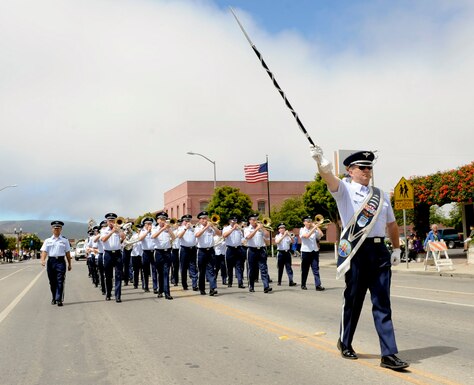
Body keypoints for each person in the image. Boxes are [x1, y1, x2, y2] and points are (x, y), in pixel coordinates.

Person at [311, 146, 409, 371]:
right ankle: (345, 341)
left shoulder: (381, 195)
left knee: (382, 303)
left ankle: (389, 354)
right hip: (356, 251)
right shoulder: (343, 189)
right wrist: (322, 164)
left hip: (379, 251)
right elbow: (329, 177)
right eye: (362, 167)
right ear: (350, 170)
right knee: (354, 299)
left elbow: (392, 224)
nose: (367, 171)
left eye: (369, 167)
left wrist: (396, 249)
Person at [40, 221, 72, 307]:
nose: (56, 230)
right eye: (55, 228)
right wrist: (42, 260)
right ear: (52, 229)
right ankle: (54, 297)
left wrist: (69, 264)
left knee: (60, 280)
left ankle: (59, 299)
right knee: (52, 282)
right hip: (51, 262)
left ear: (61, 229)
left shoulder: (65, 241)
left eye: (58, 228)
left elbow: (68, 253)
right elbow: (44, 251)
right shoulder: (48, 241)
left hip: (61, 262)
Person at [100, 213, 125, 302]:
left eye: (113, 220)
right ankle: (108, 293)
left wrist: (119, 230)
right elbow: (103, 239)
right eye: (110, 220)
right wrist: (111, 232)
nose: (111, 222)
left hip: (117, 254)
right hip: (108, 254)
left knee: (118, 275)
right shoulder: (103, 230)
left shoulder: (118, 229)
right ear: (107, 221)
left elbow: (123, 237)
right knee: (108, 275)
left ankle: (118, 295)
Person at [194, 211, 221, 296]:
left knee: (211, 270)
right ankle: (202, 288)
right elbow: (197, 235)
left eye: (205, 218)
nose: (204, 220)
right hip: (201, 251)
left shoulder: (211, 228)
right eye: (202, 219)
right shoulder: (198, 228)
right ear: (200, 220)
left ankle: (212, 288)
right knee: (202, 271)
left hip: (211, 251)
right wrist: (205, 228)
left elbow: (219, 234)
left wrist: (213, 226)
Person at [244, 213, 272, 293]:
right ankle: (251, 286)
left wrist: (262, 228)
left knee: (263, 268)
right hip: (252, 250)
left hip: (261, 250)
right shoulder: (247, 229)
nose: (255, 221)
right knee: (252, 269)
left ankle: (266, 286)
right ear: (249, 221)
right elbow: (248, 237)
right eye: (253, 219)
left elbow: (267, 236)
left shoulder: (260, 228)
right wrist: (256, 229)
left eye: (256, 219)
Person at [151, 212, 175, 300]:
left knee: (166, 273)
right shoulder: (154, 228)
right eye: (161, 219)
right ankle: (160, 290)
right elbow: (153, 236)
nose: (162, 221)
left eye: (164, 219)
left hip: (167, 252)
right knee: (160, 273)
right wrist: (162, 229)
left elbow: (174, 237)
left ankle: (167, 293)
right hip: (158, 253)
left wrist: (168, 229)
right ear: (157, 220)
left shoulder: (168, 228)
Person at [299, 216, 325, 291]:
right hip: (305, 252)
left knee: (315, 269)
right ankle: (303, 284)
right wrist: (314, 228)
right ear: (304, 222)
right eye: (307, 221)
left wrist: (317, 227)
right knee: (305, 269)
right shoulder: (302, 230)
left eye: (310, 221)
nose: (309, 222)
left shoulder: (314, 229)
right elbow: (306, 236)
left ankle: (318, 285)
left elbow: (321, 235)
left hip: (314, 251)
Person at [222, 217, 245, 288]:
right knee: (229, 267)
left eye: (235, 220)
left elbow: (243, 238)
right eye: (233, 221)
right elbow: (224, 235)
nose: (234, 222)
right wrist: (232, 229)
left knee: (239, 266)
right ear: (229, 221)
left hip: (238, 249)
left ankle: (240, 282)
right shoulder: (226, 228)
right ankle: (230, 282)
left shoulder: (239, 229)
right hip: (230, 249)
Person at [177, 214, 198, 291]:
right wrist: (185, 228)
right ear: (183, 221)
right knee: (184, 267)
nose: (187, 222)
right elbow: (179, 236)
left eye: (189, 220)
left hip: (193, 249)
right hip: (184, 249)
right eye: (186, 220)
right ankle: (184, 284)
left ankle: (194, 284)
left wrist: (192, 228)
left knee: (193, 266)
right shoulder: (181, 228)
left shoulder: (194, 228)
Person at [138, 217, 157, 293]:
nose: (149, 225)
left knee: (154, 270)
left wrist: (151, 231)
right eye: (148, 224)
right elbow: (140, 239)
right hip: (145, 252)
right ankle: (146, 286)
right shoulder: (142, 231)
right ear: (144, 224)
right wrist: (147, 232)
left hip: (153, 252)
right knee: (145, 270)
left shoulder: (154, 231)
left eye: (150, 224)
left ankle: (155, 287)